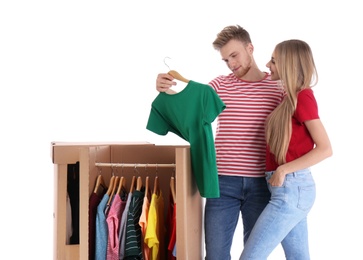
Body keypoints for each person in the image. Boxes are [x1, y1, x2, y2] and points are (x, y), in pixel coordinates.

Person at [155, 25, 284, 260]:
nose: (231, 64)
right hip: (222, 183)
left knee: (255, 254)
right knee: (215, 255)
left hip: (262, 184)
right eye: (226, 60)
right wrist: (164, 90)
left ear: (250, 48)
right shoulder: (219, 86)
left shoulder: (277, 88)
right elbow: (188, 106)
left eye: (234, 55)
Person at [239, 39, 333, 260]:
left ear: (289, 64)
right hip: (289, 190)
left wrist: (283, 170)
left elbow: (325, 148)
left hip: (291, 189)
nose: (267, 64)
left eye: (273, 60)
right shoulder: (288, 99)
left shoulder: (303, 97)